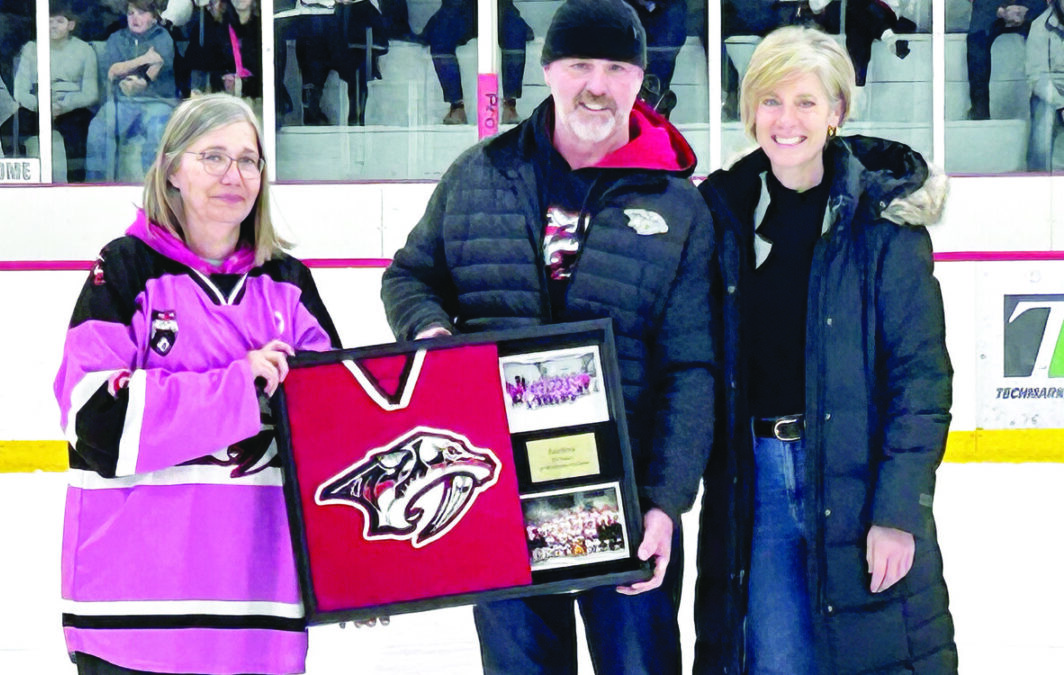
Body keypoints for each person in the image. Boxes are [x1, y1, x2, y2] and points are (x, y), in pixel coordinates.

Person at [381, 1, 716, 672]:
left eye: (617, 67)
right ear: (547, 69)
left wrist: (664, 502)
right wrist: (431, 329)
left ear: (640, 78)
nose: (597, 84)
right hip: (498, 485)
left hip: (619, 490)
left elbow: (692, 366)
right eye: (580, 65)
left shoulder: (678, 205)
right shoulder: (480, 173)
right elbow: (410, 276)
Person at [693, 25, 956, 674]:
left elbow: (920, 382)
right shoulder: (719, 215)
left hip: (856, 482)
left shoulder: (883, 221)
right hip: (756, 486)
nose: (787, 120)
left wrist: (896, 513)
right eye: (772, 101)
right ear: (750, 109)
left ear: (838, 111)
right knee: (775, 661)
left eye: (807, 101)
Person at [54, 93, 341, 674]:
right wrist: (238, 389)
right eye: (213, 156)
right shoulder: (125, 270)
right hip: (131, 616)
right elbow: (95, 424)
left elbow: (334, 441)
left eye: (249, 160)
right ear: (172, 171)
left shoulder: (288, 285)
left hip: (258, 617)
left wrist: (353, 567)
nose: (234, 175)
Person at [0, 1, 99, 182]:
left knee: (78, 134)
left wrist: (63, 105)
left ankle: (76, 185)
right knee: (7, 128)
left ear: (71, 25)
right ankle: (19, 182)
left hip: (69, 107)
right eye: (49, 21)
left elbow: (91, 93)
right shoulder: (31, 49)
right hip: (37, 105)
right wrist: (40, 106)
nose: (53, 26)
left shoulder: (85, 50)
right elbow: (20, 91)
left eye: (59, 21)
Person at [86, 0, 178, 181]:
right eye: (131, 13)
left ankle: (153, 187)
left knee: (157, 128)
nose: (135, 18)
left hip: (157, 101)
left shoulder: (163, 37)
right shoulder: (116, 38)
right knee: (98, 128)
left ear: (153, 18)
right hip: (123, 101)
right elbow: (113, 70)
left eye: (142, 13)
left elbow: (155, 68)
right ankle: (96, 185)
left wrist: (140, 81)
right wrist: (144, 59)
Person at [421, 0, 531, 125]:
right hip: (457, 9)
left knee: (514, 31)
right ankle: (456, 106)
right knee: (440, 35)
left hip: (498, 7)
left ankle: (510, 106)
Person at [967, 0, 1043, 120]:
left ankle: (1045, 107)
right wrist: (1000, 10)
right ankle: (980, 111)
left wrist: (1028, 11)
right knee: (977, 39)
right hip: (990, 6)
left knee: (1048, 31)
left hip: (1033, 4)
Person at [183, 0, 262, 99]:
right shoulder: (211, 26)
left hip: (262, 102)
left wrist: (243, 85)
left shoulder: (266, 27)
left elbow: (272, 75)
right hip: (222, 100)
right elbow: (196, 68)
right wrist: (222, 79)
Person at [1026, 0, 1064, 170]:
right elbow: (1037, 77)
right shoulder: (1039, 26)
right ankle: (1037, 178)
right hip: (1051, 92)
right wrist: (1061, 106)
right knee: (1042, 110)